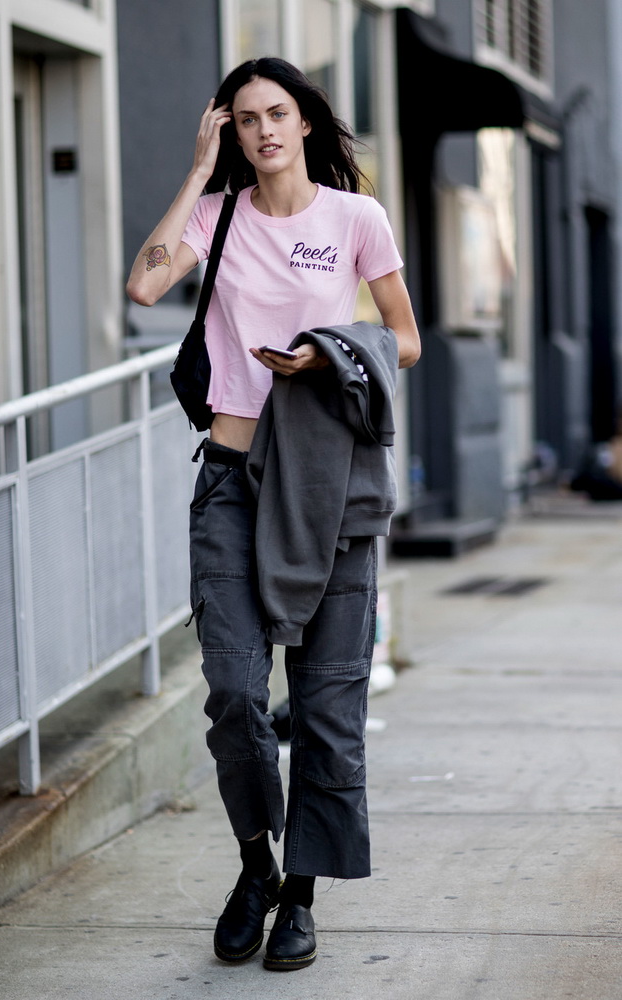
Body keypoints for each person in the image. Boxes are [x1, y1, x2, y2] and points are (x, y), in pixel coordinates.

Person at [127, 56, 421, 973]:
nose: (263, 131)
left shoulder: (355, 217)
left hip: (327, 480)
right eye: (245, 119)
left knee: (328, 703)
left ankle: (300, 893)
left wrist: (329, 354)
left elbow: (406, 339)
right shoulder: (215, 216)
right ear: (231, 131)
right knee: (234, 690)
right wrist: (195, 171)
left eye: (277, 113)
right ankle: (256, 866)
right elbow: (144, 287)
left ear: (305, 122)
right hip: (230, 476)